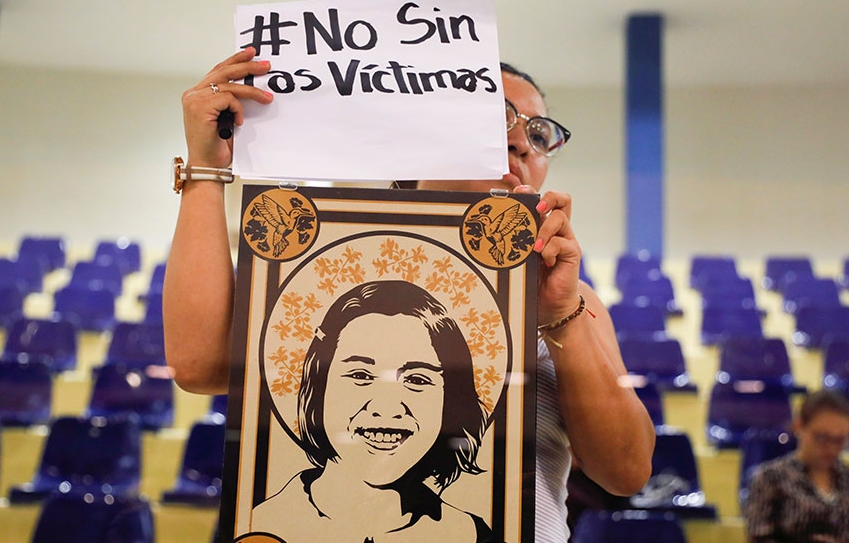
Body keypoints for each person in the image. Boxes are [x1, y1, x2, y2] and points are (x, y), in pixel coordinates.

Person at [164, 46, 655, 542]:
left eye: (539, 134)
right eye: (493, 118)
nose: (520, 144)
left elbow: (626, 471)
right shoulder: (318, 272)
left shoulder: (571, 301)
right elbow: (198, 366)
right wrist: (205, 167)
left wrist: (561, 313)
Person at [250, 280, 492, 542]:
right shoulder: (262, 526)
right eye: (360, 375)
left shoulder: (469, 534)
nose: (387, 407)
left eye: (416, 379)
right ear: (318, 386)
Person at [743, 389, 849, 543]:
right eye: (822, 438)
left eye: (839, 440)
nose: (831, 448)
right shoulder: (770, 480)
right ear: (799, 427)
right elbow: (760, 537)